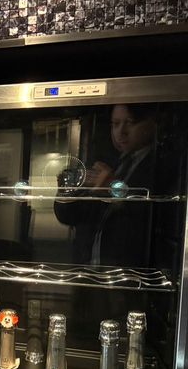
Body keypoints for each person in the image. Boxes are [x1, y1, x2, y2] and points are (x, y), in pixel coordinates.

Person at [54, 104, 158, 267]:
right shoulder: (109, 161)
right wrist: (66, 191)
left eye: (130, 122)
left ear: (152, 123)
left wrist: (114, 191)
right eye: (115, 124)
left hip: (132, 273)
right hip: (90, 269)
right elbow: (69, 216)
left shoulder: (164, 164)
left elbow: (159, 222)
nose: (121, 132)